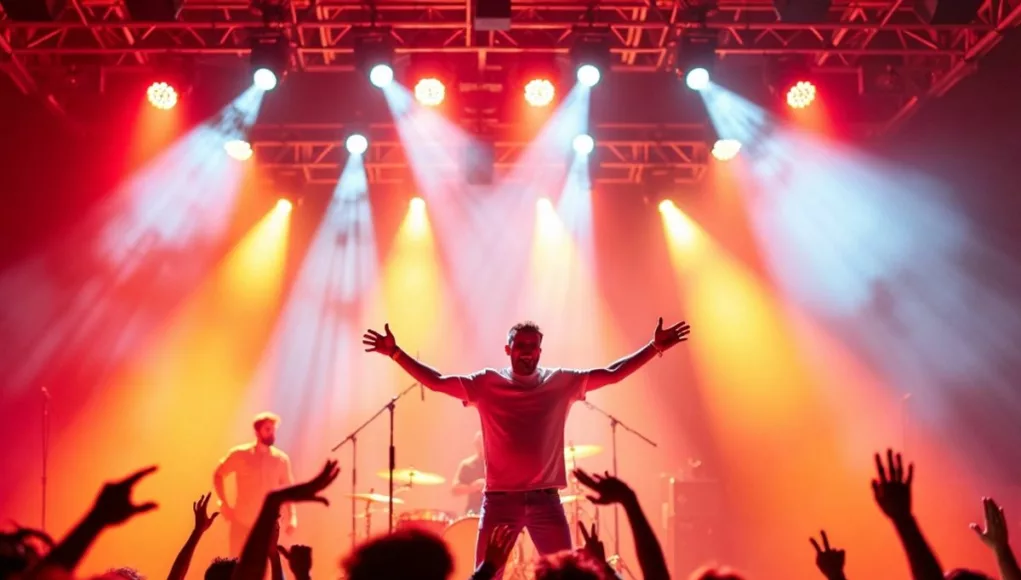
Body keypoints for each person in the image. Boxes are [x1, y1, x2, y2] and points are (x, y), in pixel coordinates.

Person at [363, 317, 691, 578]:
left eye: (533, 346)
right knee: (487, 575)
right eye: (520, 345)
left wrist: (653, 347)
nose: (527, 351)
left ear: (540, 351)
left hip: (546, 500)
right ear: (507, 349)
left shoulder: (560, 382)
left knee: (567, 573)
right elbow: (437, 381)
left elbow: (612, 374)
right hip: (500, 501)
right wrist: (396, 353)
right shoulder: (487, 383)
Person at [212, 412, 297, 556]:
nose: (272, 433)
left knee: (264, 570)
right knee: (236, 566)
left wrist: (292, 516)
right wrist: (224, 503)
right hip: (242, 521)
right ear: (257, 432)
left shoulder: (281, 459)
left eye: (273, 429)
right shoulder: (240, 454)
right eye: (267, 429)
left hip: (268, 524)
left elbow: (288, 489)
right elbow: (218, 474)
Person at [452, 431, 486, 515]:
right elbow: (455, 489)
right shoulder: (467, 465)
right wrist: (473, 487)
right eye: (478, 444)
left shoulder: (499, 464)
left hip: (496, 512)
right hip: (474, 511)